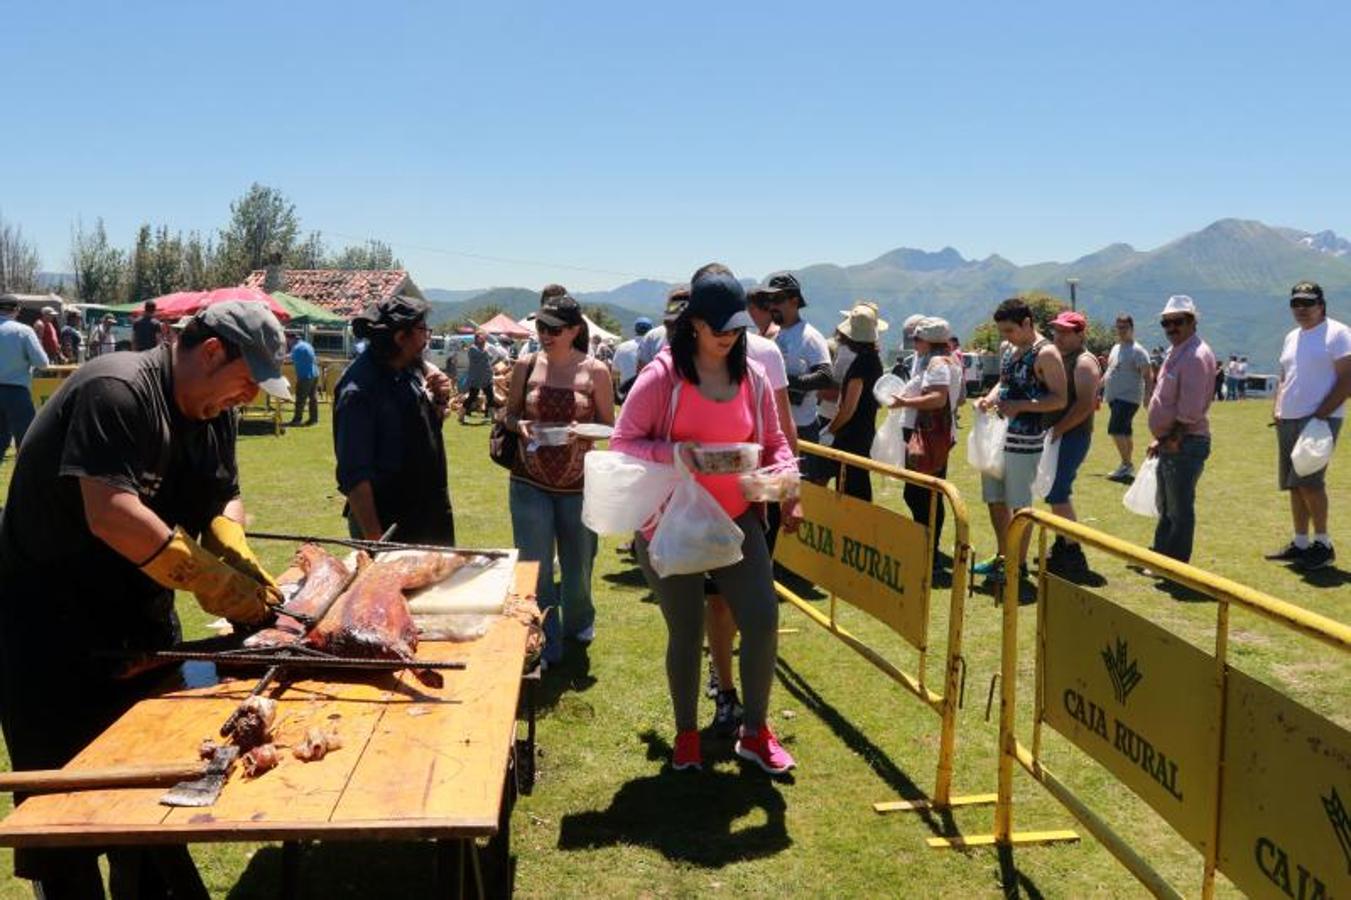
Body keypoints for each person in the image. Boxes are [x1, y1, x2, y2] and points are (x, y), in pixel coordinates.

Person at [0, 301, 290, 897]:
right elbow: (111, 513)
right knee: (66, 827)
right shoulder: (118, 390)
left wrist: (231, 545)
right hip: (50, 635)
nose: (249, 399)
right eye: (246, 381)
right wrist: (211, 582)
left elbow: (223, 497)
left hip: (141, 626)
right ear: (211, 352)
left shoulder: (214, 414)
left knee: (149, 803)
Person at [613, 263, 802, 775]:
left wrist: (786, 483)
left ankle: (755, 733)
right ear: (694, 323)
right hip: (671, 522)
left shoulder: (755, 375)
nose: (728, 336)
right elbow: (622, 443)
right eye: (719, 327)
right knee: (686, 629)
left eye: (736, 326)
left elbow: (775, 440)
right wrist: (676, 453)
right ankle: (687, 734)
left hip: (739, 516)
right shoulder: (663, 376)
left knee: (762, 621)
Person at [704, 283, 797, 731]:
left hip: (753, 500)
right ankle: (724, 686)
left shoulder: (765, 355)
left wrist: (789, 486)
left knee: (753, 608)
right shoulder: (685, 357)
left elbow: (780, 428)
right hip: (699, 508)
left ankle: (747, 709)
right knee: (719, 603)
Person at [503, 292, 614, 666]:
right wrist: (516, 424)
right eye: (541, 326)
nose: (545, 334)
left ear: (574, 331)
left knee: (578, 562)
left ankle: (580, 622)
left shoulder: (595, 371)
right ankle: (545, 640)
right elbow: (508, 416)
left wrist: (580, 431)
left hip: (578, 484)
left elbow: (608, 427)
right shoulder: (525, 362)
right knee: (534, 566)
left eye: (554, 328)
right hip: (528, 480)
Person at [334, 295, 455, 544]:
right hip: (388, 523)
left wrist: (440, 401)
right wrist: (376, 542)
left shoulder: (406, 369)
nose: (427, 339)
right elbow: (355, 477)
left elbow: (417, 435)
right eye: (423, 330)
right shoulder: (359, 391)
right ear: (400, 337)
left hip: (425, 512)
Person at [972, 298, 1067, 585]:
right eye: (1002, 330)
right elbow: (1005, 382)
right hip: (998, 436)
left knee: (1020, 504)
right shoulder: (1009, 349)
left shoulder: (1047, 354)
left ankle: (1019, 564)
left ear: (1028, 323)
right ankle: (1004, 555)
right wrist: (988, 399)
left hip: (1026, 440)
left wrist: (1022, 406)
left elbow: (1059, 399)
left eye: (1010, 330)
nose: (1006, 336)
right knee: (994, 499)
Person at [1264, 281, 1351, 571]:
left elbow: (1347, 380)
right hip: (1289, 418)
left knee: (1311, 483)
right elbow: (1284, 374)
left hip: (1320, 419)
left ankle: (1323, 545)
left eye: (1308, 303)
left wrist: (1321, 415)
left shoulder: (1338, 333)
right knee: (1294, 484)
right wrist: (1278, 407)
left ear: (1321, 305)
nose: (1301, 308)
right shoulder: (1292, 336)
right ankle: (1301, 543)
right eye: (1296, 303)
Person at [1146, 295, 1216, 564]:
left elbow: (1191, 409)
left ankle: (1174, 564)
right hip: (1173, 440)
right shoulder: (1179, 350)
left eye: (1178, 322)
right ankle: (1162, 557)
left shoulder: (1196, 356)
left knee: (1178, 508)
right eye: (1166, 323)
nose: (1171, 327)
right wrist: (1161, 439)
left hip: (1185, 442)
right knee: (1167, 506)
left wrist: (1172, 437)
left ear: (1192, 322)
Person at [887, 317, 961, 563]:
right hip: (931, 433)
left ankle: (929, 549)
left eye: (917, 338)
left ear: (928, 341)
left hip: (928, 435)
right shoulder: (943, 361)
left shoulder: (938, 364)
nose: (914, 343)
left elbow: (938, 399)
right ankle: (928, 546)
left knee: (922, 495)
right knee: (923, 493)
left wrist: (904, 402)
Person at [1043, 311, 1102, 578]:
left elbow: (1085, 404)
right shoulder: (1061, 357)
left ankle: (1073, 551)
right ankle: (1062, 546)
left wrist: (1058, 429)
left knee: (1058, 492)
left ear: (1080, 334)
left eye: (1066, 332)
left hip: (1072, 436)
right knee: (1054, 492)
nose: (1059, 336)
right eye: (1057, 331)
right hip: (1060, 435)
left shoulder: (1084, 362)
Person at [761, 273, 833, 479]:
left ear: (794, 301)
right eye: (769, 300)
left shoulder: (810, 336)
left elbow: (825, 376)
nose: (772, 305)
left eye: (777, 299)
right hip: (775, 426)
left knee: (802, 492)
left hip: (802, 428)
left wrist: (785, 384)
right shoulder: (776, 335)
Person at [823, 302, 886, 500]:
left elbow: (849, 408)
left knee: (854, 490)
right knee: (854, 485)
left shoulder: (861, 365)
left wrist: (829, 430)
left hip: (853, 437)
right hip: (862, 433)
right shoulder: (872, 359)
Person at [1103, 314, 1155, 482]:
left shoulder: (1138, 351)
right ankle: (1127, 465)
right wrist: (1097, 387)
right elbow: (1110, 371)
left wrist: (1148, 395)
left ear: (1132, 328)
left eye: (1124, 327)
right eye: (1118, 327)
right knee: (1124, 432)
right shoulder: (1116, 348)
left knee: (1115, 429)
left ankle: (1126, 465)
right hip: (1114, 398)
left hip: (1128, 397)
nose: (1120, 330)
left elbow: (1148, 375)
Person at [0, 296, 49, 462]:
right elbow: (42, 363)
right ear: (17, 310)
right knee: (26, 441)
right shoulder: (23, 331)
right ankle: (24, 483)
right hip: (16, 392)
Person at [459, 331, 497, 424]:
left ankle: (493, 418)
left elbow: (490, 357)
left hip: (486, 377)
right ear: (476, 339)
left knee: (490, 396)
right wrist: (486, 349)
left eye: (484, 338)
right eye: (482, 337)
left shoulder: (483, 348)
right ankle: (461, 415)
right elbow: (482, 355)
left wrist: (486, 350)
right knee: (472, 396)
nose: (484, 339)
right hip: (476, 378)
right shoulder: (473, 348)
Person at [612, 317, 651, 401]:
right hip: (648, 393)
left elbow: (615, 372)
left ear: (635, 330)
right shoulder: (653, 348)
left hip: (626, 393)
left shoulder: (622, 347)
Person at [289, 333, 320, 426]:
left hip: (305, 376)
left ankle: (297, 420)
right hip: (315, 374)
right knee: (313, 398)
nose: (288, 343)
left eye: (288, 341)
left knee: (300, 398)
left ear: (291, 340)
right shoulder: (308, 345)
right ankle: (314, 419)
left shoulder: (296, 348)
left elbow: (289, 358)